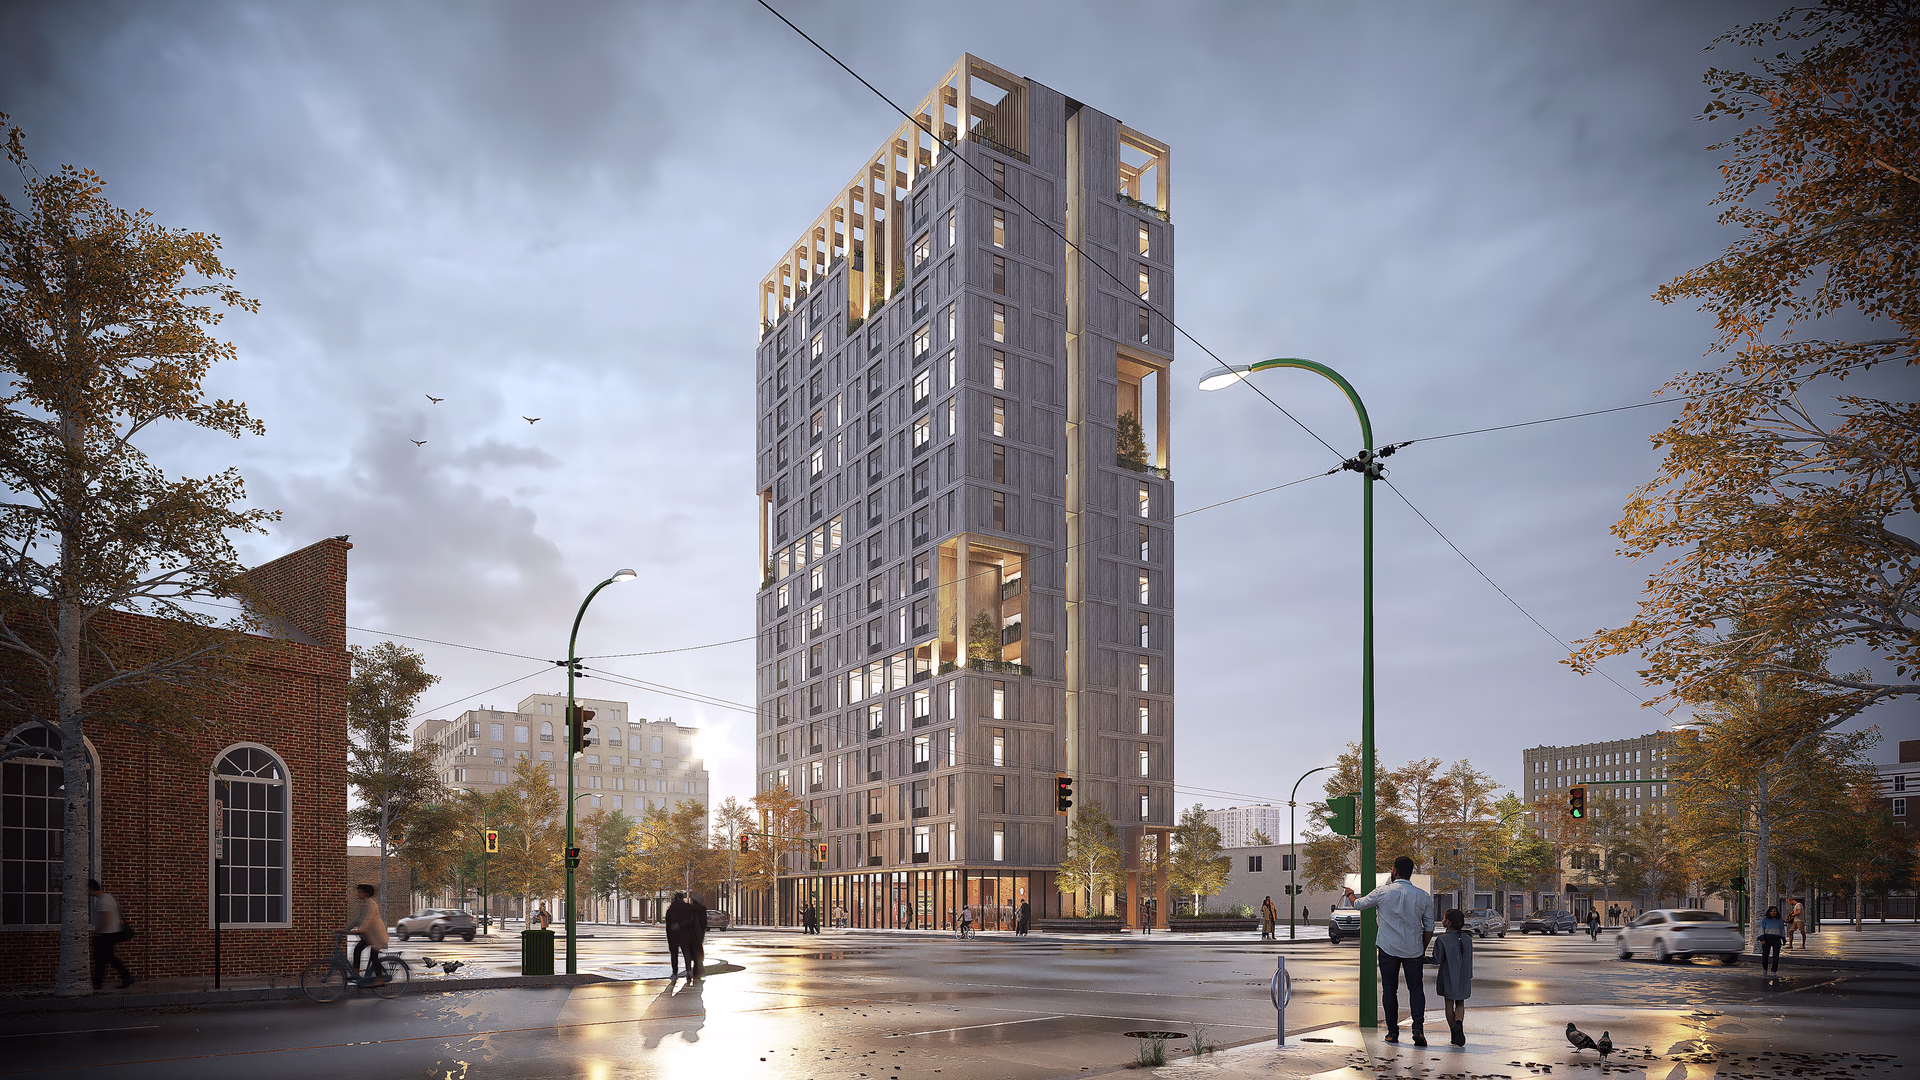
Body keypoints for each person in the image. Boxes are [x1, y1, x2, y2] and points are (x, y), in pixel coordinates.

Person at [1343, 855, 1434, 1045]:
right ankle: (1418, 1028)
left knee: (1389, 989)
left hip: (1388, 948)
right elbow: (1429, 927)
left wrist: (1350, 893)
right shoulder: (1423, 896)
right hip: (1414, 949)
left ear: (1394, 870)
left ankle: (1393, 1032)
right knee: (1416, 989)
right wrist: (1421, 949)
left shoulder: (1382, 892)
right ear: (1411, 872)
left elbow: (1359, 904)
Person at [1432, 908, 1474, 1046]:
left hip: (1448, 975)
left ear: (1448, 922)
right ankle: (1459, 1023)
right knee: (1460, 1003)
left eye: (1444, 918)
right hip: (1464, 976)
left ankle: (1453, 1032)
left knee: (1449, 1004)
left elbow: (1437, 959)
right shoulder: (1467, 940)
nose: (1442, 920)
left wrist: (1421, 959)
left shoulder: (1442, 939)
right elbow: (1469, 960)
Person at [88, 880, 134, 991]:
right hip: (108, 934)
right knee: (102, 959)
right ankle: (98, 983)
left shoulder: (103, 901)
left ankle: (126, 977)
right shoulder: (108, 897)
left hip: (105, 935)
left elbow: (106, 918)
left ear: (91, 888)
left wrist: (97, 932)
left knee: (106, 958)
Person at [346, 884, 389, 986]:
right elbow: (358, 919)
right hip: (370, 936)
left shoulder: (372, 905)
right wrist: (346, 929)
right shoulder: (365, 905)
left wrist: (360, 930)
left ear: (366, 893)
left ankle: (380, 979)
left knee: (374, 957)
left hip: (377, 937)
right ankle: (356, 973)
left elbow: (368, 920)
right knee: (357, 949)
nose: (358, 893)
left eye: (360, 891)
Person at [664, 892, 692, 977]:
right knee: (687, 953)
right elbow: (691, 922)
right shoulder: (688, 908)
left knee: (674, 954)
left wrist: (668, 936)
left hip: (673, 935)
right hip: (685, 934)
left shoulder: (670, 910)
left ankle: (675, 972)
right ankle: (688, 970)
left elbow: (668, 925)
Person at [685, 894, 710, 978]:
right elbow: (704, 923)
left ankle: (691, 970)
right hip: (698, 934)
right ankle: (698, 971)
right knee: (698, 952)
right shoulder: (702, 910)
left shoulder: (689, 910)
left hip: (689, 934)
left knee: (691, 952)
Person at [1758, 905, 1786, 977]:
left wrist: (1783, 939)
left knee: (1776, 956)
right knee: (1765, 955)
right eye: (1771, 911)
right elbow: (1762, 929)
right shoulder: (1765, 920)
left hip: (1776, 939)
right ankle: (1765, 968)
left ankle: (1774, 970)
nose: (1773, 913)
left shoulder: (1780, 920)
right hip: (1767, 939)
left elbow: (1782, 930)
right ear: (1769, 912)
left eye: (1774, 911)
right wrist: (1762, 939)